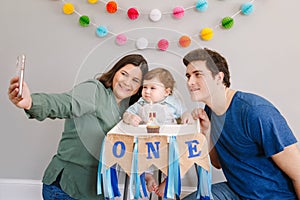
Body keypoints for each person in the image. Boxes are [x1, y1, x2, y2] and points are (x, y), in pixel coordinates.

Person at [8, 54, 149, 200]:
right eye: (124, 74)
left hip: (99, 192)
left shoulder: (130, 110)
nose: (127, 82)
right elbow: (65, 103)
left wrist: (146, 174)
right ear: (115, 72)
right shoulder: (94, 91)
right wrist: (31, 102)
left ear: (139, 87)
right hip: (67, 189)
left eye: (135, 80)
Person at [182, 48, 300, 199]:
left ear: (218, 78)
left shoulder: (256, 112)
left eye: (198, 75)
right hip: (236, 191)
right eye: (188, 76)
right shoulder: (210, 111)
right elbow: (218, 163)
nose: (190, 82)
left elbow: (298, 172)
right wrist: (207, 132)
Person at [123, 67, 194, 197]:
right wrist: (131, 118)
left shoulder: (173, 103)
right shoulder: (141, 103)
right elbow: (126, 114)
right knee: (139, 157)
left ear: (166, 92)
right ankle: (148, 176)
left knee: (179, 159)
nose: (147, 91)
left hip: (168, 145)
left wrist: (186, 116)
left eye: (152, 88)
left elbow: (184, 112)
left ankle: (168, 181)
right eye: (145, 87)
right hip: (147, 144)